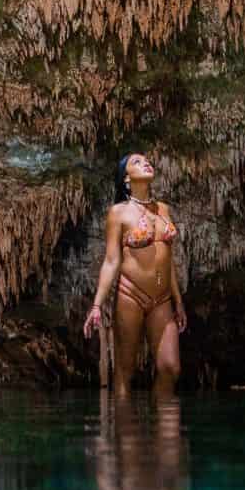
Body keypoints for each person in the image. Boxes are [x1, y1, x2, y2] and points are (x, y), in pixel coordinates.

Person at [83, 149, 186, 395]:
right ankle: (126, 430)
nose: (146, 163)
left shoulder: (164, 209)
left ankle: (166, 431)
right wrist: (97, 305)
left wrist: (178, 302)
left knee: (170, 368)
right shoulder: (118, 213)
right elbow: (111, 261)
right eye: (137, 162)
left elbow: (168, 260)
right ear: (126, 178)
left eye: (147, 161)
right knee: (124, 371)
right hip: (131, 294)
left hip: (162, 299)